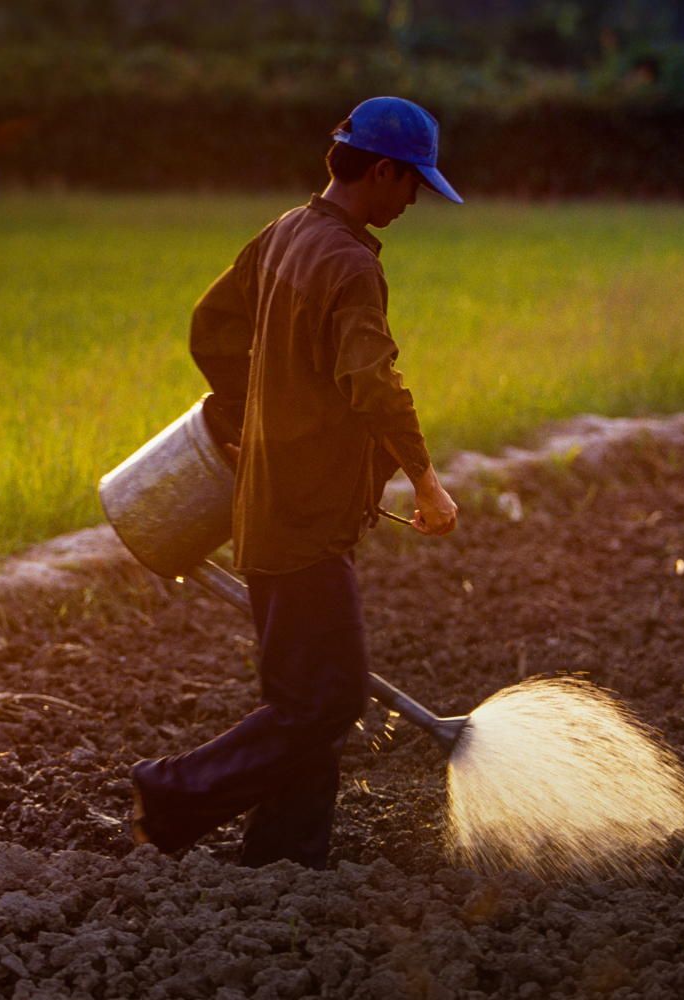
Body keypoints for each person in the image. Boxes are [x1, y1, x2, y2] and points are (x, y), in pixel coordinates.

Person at [129, 96, 461, 870]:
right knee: (332, 700)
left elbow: (210, 326)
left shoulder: (287, 231)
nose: (413, 200)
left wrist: (254, 415)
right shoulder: (348, 262)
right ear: (381, 171)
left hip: (266, 505)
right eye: (412, 183)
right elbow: (374, 385)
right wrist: (426, 481)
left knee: (303, 703)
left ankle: (285, 859)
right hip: (307, 517)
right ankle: (171, 791)